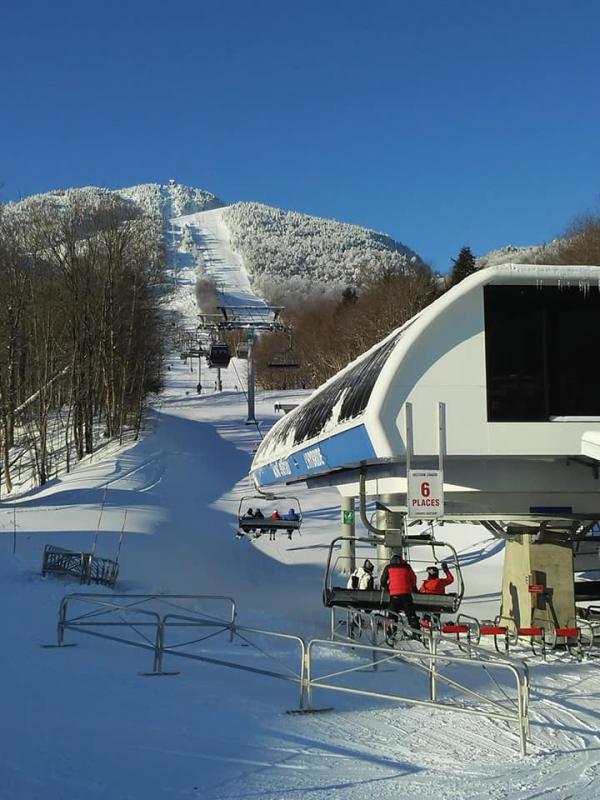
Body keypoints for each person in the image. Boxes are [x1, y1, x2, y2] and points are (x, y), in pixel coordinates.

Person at [380, 553, 419, 640]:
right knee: (410, 613)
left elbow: (383, 580)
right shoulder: (407, 567)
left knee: (392, 614)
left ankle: (391, 632)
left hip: (394, 595)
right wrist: (412, 586)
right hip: (406, 594)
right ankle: (416, 632)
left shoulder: (389, 567)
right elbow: (413, 578)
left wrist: (387, 587)